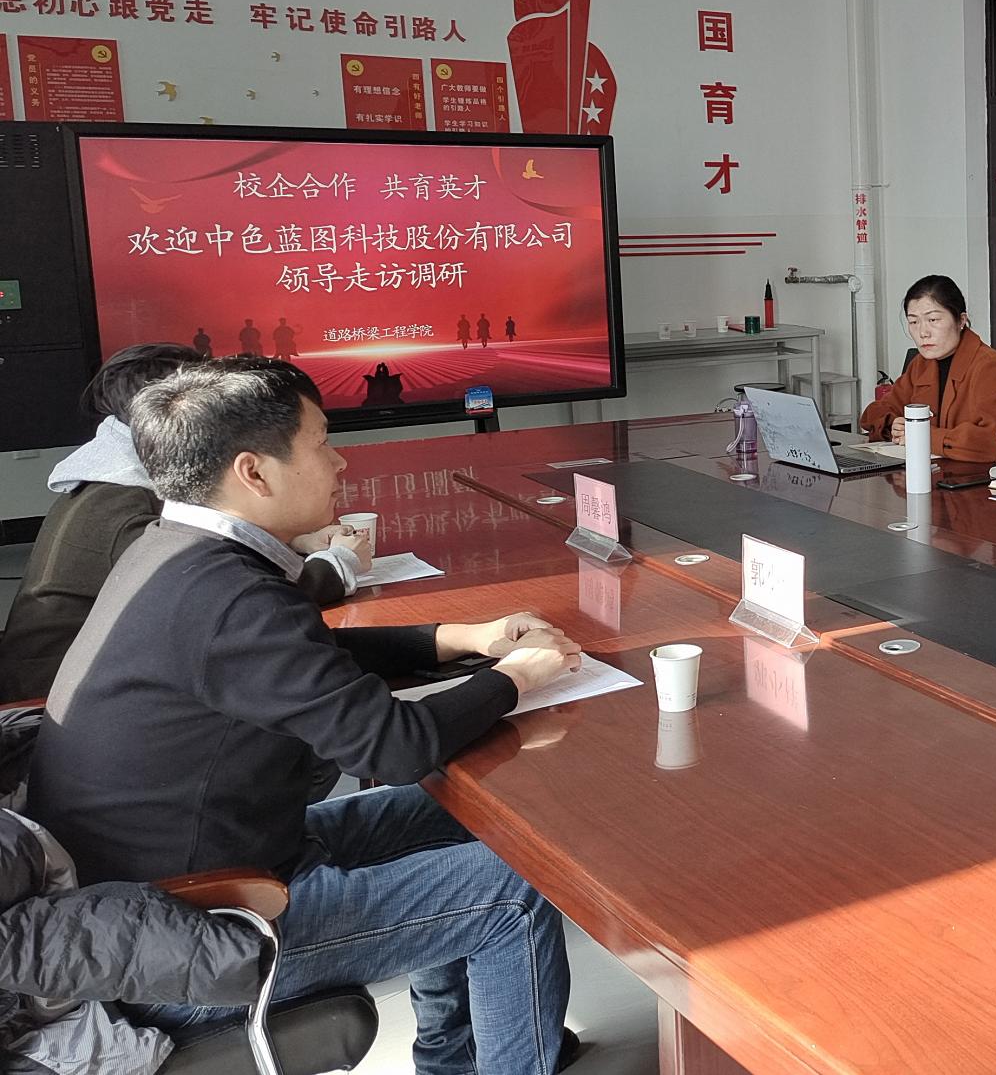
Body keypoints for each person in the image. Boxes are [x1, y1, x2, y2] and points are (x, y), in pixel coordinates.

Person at [25, 357, 582, 1075]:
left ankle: (452, 1059)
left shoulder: (173, 551)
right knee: (520, 887)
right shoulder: (229, 593)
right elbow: (394, 747)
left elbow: (297, 655)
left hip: (180, 886)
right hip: (195, 936)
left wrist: (459, 637)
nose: (341, 461)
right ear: (253, 472)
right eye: (321, 442)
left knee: (463, 815)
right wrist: (515, 677)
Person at [0, 345, 365, 702]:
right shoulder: (125, 509)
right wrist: (338, 564)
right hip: (49, 691)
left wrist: (297, 542)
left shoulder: (112, 484)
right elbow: (232, 599)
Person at [859, 275, 996, 463]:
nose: (923, 332)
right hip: (939, 470)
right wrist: (893, 425)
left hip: (992, 475)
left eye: (933, 320)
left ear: (961, 321)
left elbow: (993, 442)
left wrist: (923, 436)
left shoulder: (990, 367)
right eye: (913, 322)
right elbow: (873, 414)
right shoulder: (921, 364)